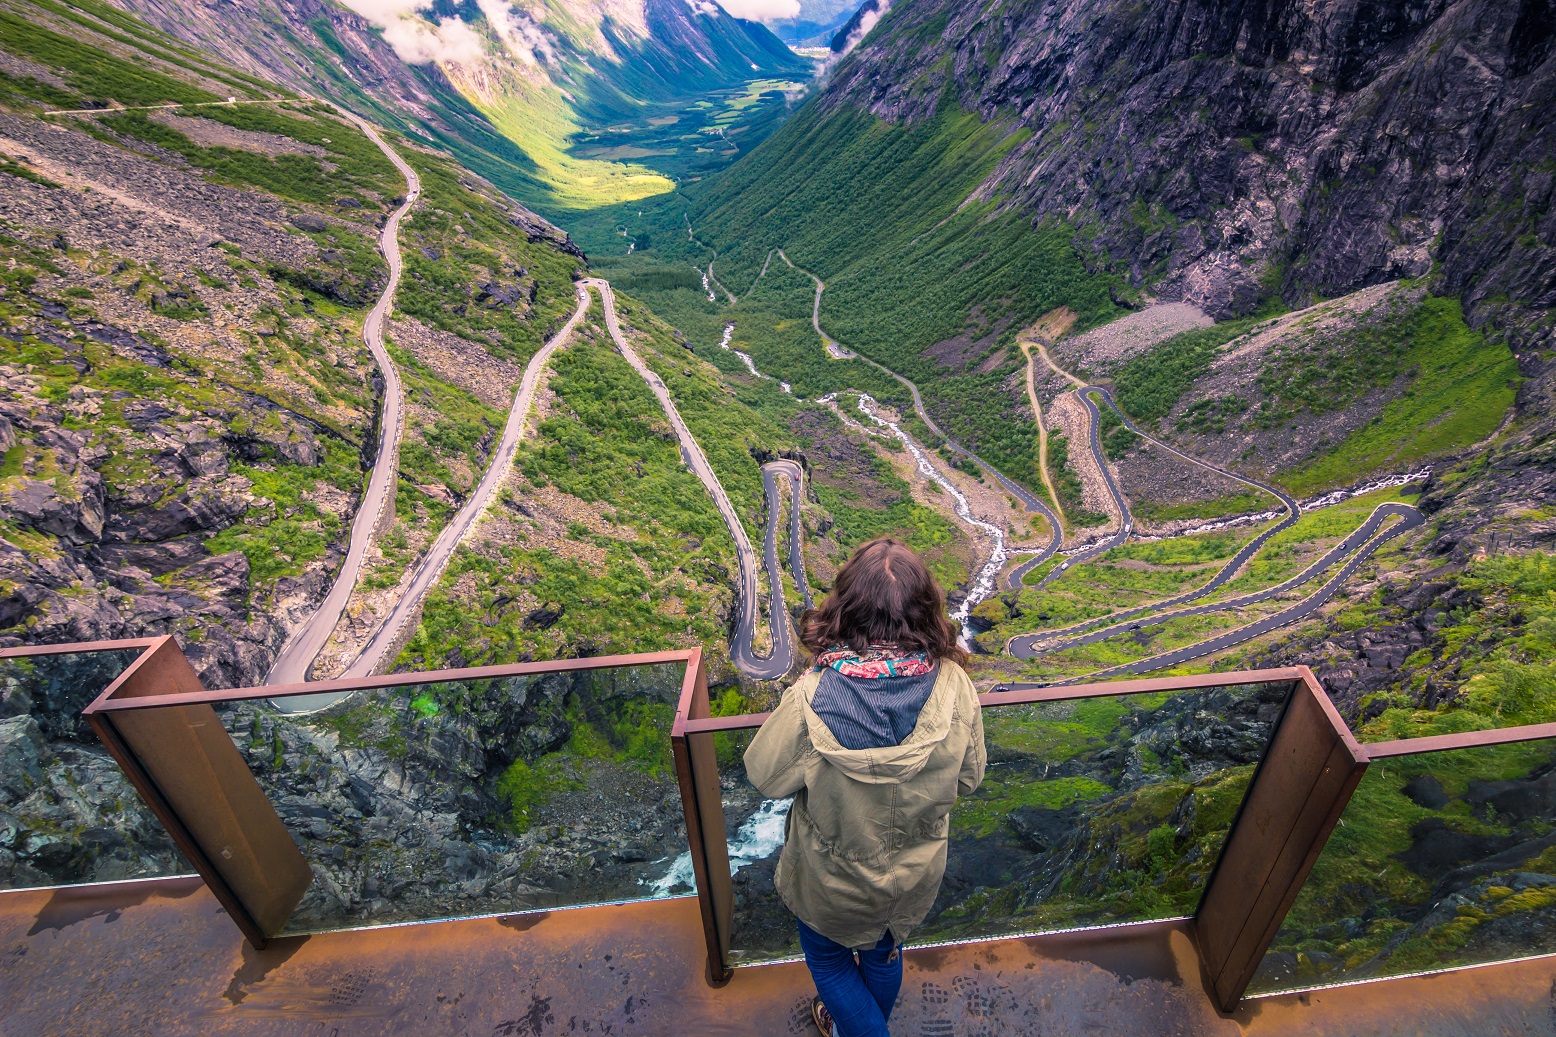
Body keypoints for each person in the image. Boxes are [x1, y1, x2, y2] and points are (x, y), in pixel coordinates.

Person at [744, 537, 986, 1037]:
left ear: (845, 610)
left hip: (831, 882)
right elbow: (969, 777)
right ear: (926, 612)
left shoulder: (813, 696)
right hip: (913, 874)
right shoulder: (954, 685)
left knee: (832, 965)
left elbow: (764, 777)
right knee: (884, 952)